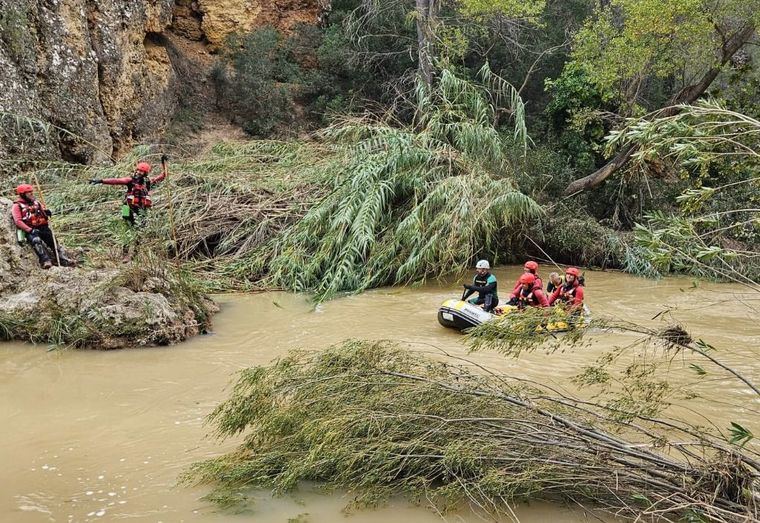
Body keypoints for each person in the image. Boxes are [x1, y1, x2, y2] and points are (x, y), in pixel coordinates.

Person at [11, 184, 75, 269]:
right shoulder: (17, 206)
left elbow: (43, 212)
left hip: (42, 227)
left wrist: (47, 213)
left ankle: (62, 258)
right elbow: (18, 221)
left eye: (31, 192)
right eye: (28, 192)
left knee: (53, 240)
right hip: (30, 228)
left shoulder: (36, 202)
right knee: (36, 240)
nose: (31, 194)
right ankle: (45, 260)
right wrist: (29, 230)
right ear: (22, 194)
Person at [89, 157, 167, 225]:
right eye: (138, 170)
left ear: (145, 173)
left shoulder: (148, 181)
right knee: (126, 219)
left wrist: (164, 163)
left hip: (141, 206)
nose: (138, 172)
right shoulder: (130, 180)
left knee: (143, 223)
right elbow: (116, 181)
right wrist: (101, 181)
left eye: (141, 171)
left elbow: (163, 175)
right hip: (127, 205)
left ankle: (138, 237)